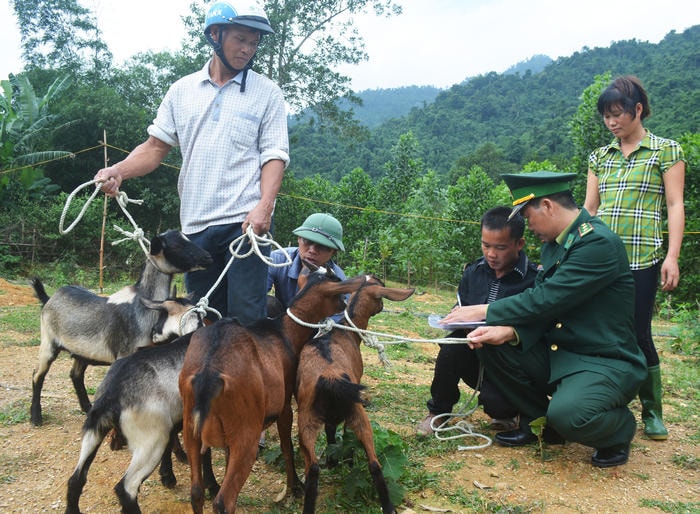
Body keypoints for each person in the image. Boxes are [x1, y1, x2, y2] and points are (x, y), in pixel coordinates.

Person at [94, 1, 289, 326]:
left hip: (245, 227)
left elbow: (274, 156)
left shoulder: (267, 93)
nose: (248, 49)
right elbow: (155, 147)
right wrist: (118, 171)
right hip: (195, 230)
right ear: (215, 34)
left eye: (254, 42)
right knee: (202, 322)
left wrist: (264, 206)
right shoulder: (181, 91)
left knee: (246, 326)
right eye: (240, 38)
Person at [443, 171, 647, 468]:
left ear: (548, 206)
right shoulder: (555, 244)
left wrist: (481, 310)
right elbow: (546, 308)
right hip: (560, 351)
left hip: (601, 359)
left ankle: (618, 431)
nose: (527, 224)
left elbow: (546, 299)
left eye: (527, 215)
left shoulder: (597, 244)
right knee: (491, 342)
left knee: (571, 416)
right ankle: (538, 423)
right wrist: (511, 331)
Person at [584, 76, 686, 441]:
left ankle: (652, 411)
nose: (611, 122)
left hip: (643, 260)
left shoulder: (665, 151)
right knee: (602, 332)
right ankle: (610, 401)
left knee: (638, 333)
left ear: (637, 109)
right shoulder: (600, 157)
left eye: (617, 114)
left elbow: (675, 205)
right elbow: (590, 209)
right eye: (606, 117)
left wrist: (671, 257)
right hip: (602, 262)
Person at [416, 206, 539, 437]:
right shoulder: (473, 272)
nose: (491, 254)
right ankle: (438, 411)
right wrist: (455, 318)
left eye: (500, 247)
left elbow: (533, 326)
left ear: (519, 244)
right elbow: (462, 305)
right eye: (486, 245)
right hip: (473, 354)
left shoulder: (533, 280)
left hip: (507, 362)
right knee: (452, 346)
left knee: (498, 407)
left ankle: (511, 411)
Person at [267, 212, 347, 314]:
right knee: (268, 304)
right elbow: (254, 295)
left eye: (321, 246)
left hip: (316, 325)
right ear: (299, 239)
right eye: (307, 241)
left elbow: (339, 318)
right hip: (280, 321)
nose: (312, 250)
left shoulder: (339, 281)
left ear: (333, 252)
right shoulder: (278, 260)